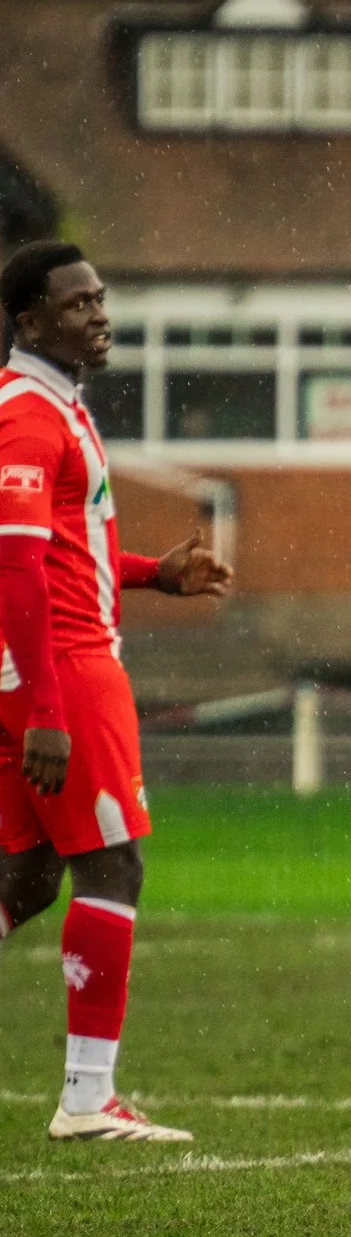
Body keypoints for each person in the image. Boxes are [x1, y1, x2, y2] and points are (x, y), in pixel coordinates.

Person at [0, 240, 233, 1143]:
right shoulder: (30, 418)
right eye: (76, 305)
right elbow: (18, 568)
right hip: (61, 666)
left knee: (26, 878)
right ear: (29, 322)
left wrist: (152, 574)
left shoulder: (51, 404)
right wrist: (46, 709)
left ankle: (89, 1096)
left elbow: (62, 549)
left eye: (99, 298)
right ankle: (88, 1097)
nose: (98, 315)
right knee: (113, 864)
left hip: (37, 664)